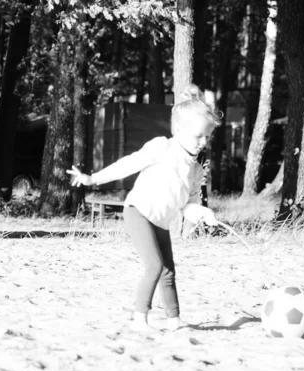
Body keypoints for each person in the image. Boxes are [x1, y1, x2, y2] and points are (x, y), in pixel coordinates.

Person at [67, 85, 220, 332]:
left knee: (168, 271)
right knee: (155, 266)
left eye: (207, 137)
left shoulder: (196, 169)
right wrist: (92, 179)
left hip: (160, 221)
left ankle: (175, 321)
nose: (203, 142)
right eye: (198, 136)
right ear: (178, 130)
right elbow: (127, 164)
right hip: (138, 212)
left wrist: (202, 213)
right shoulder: (163, 147)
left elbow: (187, 207)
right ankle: (140, 319)